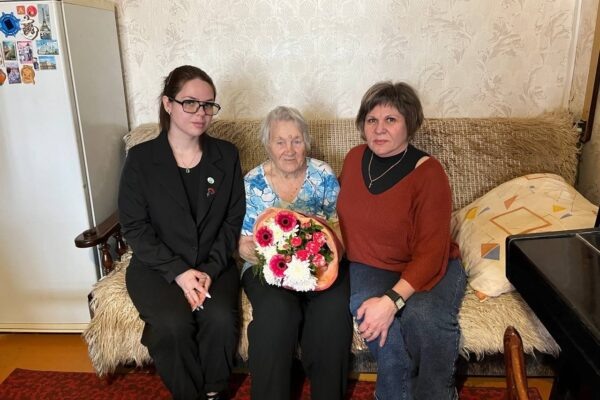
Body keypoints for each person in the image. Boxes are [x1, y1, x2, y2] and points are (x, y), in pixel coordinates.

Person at [119, 65, 245, 400]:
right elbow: (134, 227)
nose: (201, 112)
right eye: (190, 103)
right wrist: (179, 272)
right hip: (156, 266)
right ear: (168, 104)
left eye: (208, 105)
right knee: (173, 324)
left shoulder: (226, 155)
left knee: (220, 318)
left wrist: (209, 270)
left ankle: (214, 391)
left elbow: (232, 220)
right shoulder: (141, 159)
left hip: (213, 263)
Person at [337, 82, 467, 400]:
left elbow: (431, 253)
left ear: (409, 123)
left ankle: (438, 395)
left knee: (424, 317)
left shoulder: (429, 173)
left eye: (390, 120)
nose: (379, 129)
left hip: (429, 265)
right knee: (375, 323)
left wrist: (391, 302)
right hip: (370, 265)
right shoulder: (353, 159)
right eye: (372, 120)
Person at [238, 106, 353, 400]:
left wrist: (321, 261)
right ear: (267, 145)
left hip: (321, 265)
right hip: (267, 268)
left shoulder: (323, 174)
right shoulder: (252, 183)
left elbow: (340, 230)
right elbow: (243, 244)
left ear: (306, 143)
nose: (289, 150)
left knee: (333, 312)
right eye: (280, 141)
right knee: (277, 313)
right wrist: (271, 259)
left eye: (296, 141)